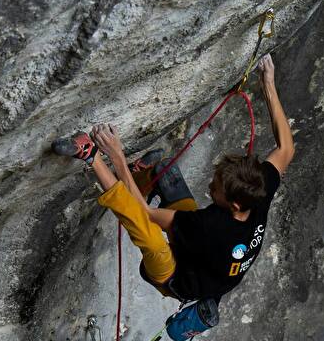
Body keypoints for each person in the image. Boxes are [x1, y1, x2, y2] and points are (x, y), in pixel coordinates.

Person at [52, 55, 294, 307]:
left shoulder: (210, 225)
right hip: (205, 258)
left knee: (149, 235)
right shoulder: (258, 188)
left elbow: (145, 213)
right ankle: (136, 177)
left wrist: (117, 157)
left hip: (175, 277)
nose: (210, 187)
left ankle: (90, 155)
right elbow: (286, 148)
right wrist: (268, 82)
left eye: (216, 188)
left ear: (234, 204)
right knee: (167, 174)